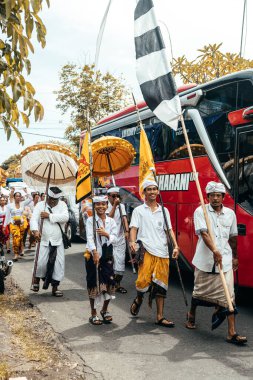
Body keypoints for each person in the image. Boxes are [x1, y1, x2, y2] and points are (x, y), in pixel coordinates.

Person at [185, 181, 247, 345]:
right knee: (198, 293)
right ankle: (191, 315)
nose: (215, 198)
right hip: (205, 261)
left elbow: (233, 237)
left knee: (229, 297)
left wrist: (234, 256)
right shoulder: (201, 211)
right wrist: (215, 251)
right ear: (207, 197)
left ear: (223, 197)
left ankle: (231, 332)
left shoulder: (230, 214)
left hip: (225, 262)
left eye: (218, 195)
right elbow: (204, 234)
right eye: (212, 195)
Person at [129, 180, 179, 328]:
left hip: (162, 252)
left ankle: (159, 316)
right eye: (148, 189)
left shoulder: (164, 211)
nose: (151, 192)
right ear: (144, 192)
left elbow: (169, 230)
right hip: (146, 250)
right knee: (142, 282)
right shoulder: (139, 210)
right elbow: (133, 228)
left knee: (161, 285)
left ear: (158, 192)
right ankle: (139, 299)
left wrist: (175, 246)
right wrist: (132, 242)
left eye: (154, 189)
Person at [30, 186, 69, 296]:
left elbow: (65, 217)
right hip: (43, 239)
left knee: (58, 265)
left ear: (58, 199)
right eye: (50, 198)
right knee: (40, 262)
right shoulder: (40, 205)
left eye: (54, 199)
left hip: (58, 240)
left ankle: (55, 287)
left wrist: (49, 216)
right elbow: (33, 219)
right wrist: (35, 231)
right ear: (47, 196)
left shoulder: (63, 205)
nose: (52, 201)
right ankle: (36, 281)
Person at [85, 195, 117, 325]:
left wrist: (106, 234)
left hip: (107, 256)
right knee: (93, 283)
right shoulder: (90, 221)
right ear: (94, 206)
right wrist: (94, 252)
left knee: (110, 282)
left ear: (107, 205)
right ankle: (93, 313)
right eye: (98, 204)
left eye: (103, 204)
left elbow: (115, 237)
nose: (101, 207)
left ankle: (104, 310)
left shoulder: (111, 221)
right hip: (93, 257)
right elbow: (90, 238)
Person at [106, 187, 129, 294]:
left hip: (120, 239)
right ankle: (110, 285)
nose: (116, 198)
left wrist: (127, 231)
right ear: (109, 196)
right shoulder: (105, 205)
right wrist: (115, 205)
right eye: (113, 196)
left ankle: (117, 285)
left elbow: (124, 218)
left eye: (117, 196)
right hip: (108, 238)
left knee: (120, 263)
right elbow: (108, 219)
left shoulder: (122, 206)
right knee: (109, 263)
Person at [4, 190, 30, 261]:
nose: (18, 197)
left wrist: (26, 192)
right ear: (14, 197)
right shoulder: (10, 205)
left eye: (19, 196)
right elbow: (7, 216)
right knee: (16, 238)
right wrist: (4, 225)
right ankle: (16, 254)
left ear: (21, 197)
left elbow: (30, 198)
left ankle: (19, 251)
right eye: (17, 196)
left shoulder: (22, 204)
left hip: (21, 224)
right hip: (13, 224)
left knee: (20, 239)